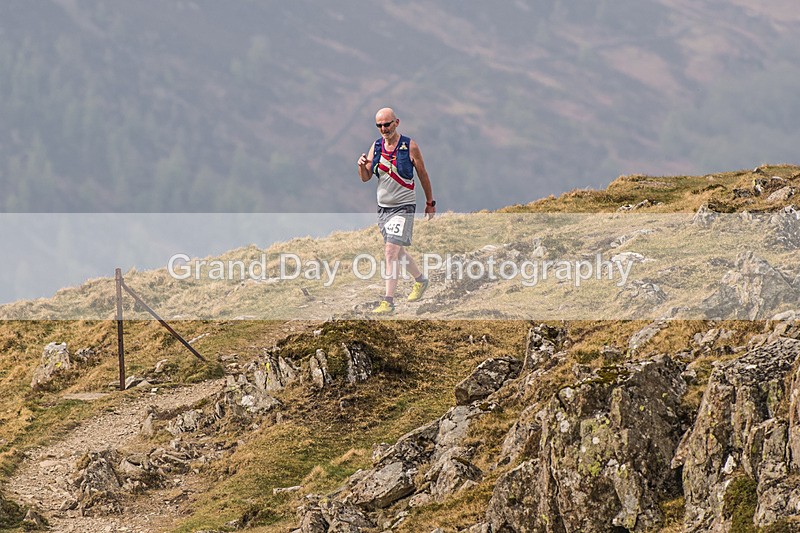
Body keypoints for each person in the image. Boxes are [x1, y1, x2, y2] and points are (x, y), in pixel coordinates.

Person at [357, 107, 436, 314]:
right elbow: (366, 178)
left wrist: (430, 202)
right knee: (398, 252)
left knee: (390, 251)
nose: (384, 129)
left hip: (404, 207)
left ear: (396, 123)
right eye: (380, 125)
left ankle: (388, 302)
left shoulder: (410, 146)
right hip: (384, 209)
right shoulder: (376, 147)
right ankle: (421, 280)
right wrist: (361, 166)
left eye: (387, 124)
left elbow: (423, 175)